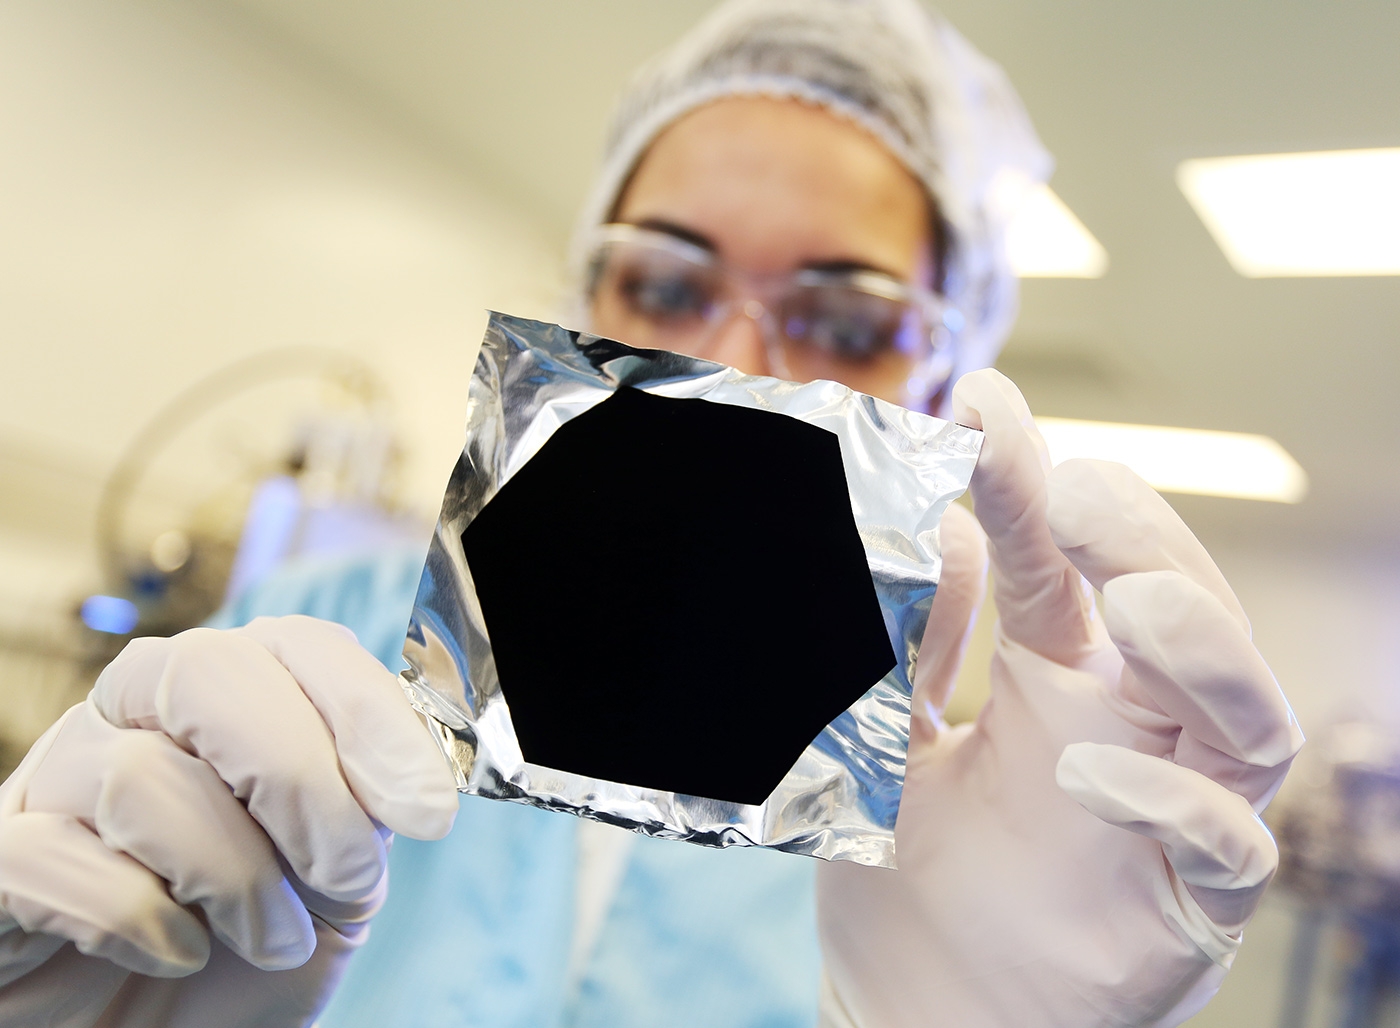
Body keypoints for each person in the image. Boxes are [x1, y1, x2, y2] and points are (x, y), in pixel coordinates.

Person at [0, 1, 1302, 1026]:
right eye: (668, 287)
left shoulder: (985, 812)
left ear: (949, 372)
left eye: (843, 322)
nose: (741, 367)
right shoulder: (321, 630)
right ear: (588, 292)